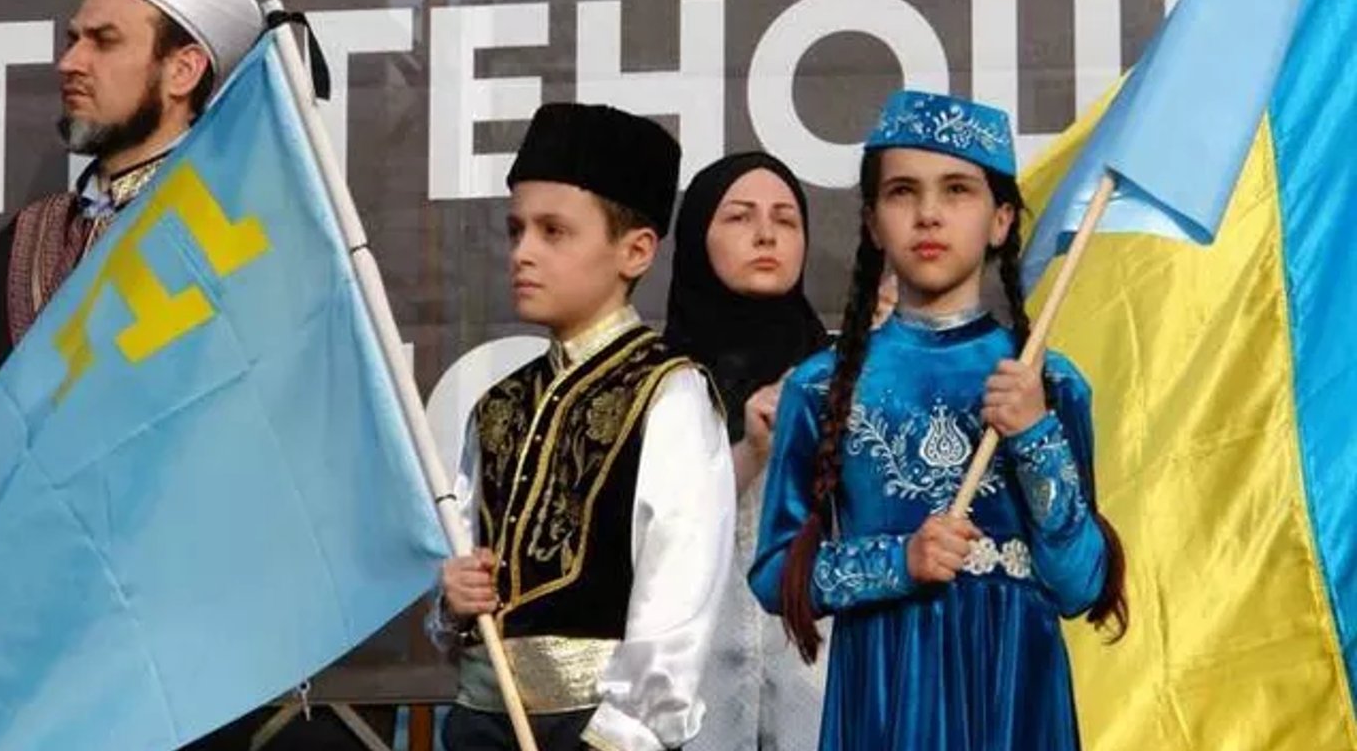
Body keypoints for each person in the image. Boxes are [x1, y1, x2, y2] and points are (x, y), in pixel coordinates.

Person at [749, 90, 1129, 751]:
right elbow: (775, 575)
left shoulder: (1048, 382)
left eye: (957, 190)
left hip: (1016, 691)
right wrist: (899, 561)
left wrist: (1035, 434)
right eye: (903, 192)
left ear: (1001, 220)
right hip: (887, 691)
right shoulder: (822, 385)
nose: (928, 213)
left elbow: (1079, 584)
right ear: (872, 223)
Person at [430, 102, 736, 751]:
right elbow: (466, 574)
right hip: (480, 723)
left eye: (554, 232)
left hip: (597, 730)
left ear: (635, 250)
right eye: (516, 230)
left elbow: (677, 601)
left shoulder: (668, 393)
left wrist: (619, 737)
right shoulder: (498, 407)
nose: (523, 253)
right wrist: (453, 602)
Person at [0, 0, 262, 377]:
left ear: (182, 71)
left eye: (104, 41)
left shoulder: (240, 239)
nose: (69, 63)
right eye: (73, 40)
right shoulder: (29, 234)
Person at [664, 151, 830, 751]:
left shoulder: (844, 375)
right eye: (739, 217)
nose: (766, 234)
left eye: (786, 220)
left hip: (820, 692)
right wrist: (751, 453)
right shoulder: (654, 387)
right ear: (696, 237)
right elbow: (646, 537)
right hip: (690, 697)